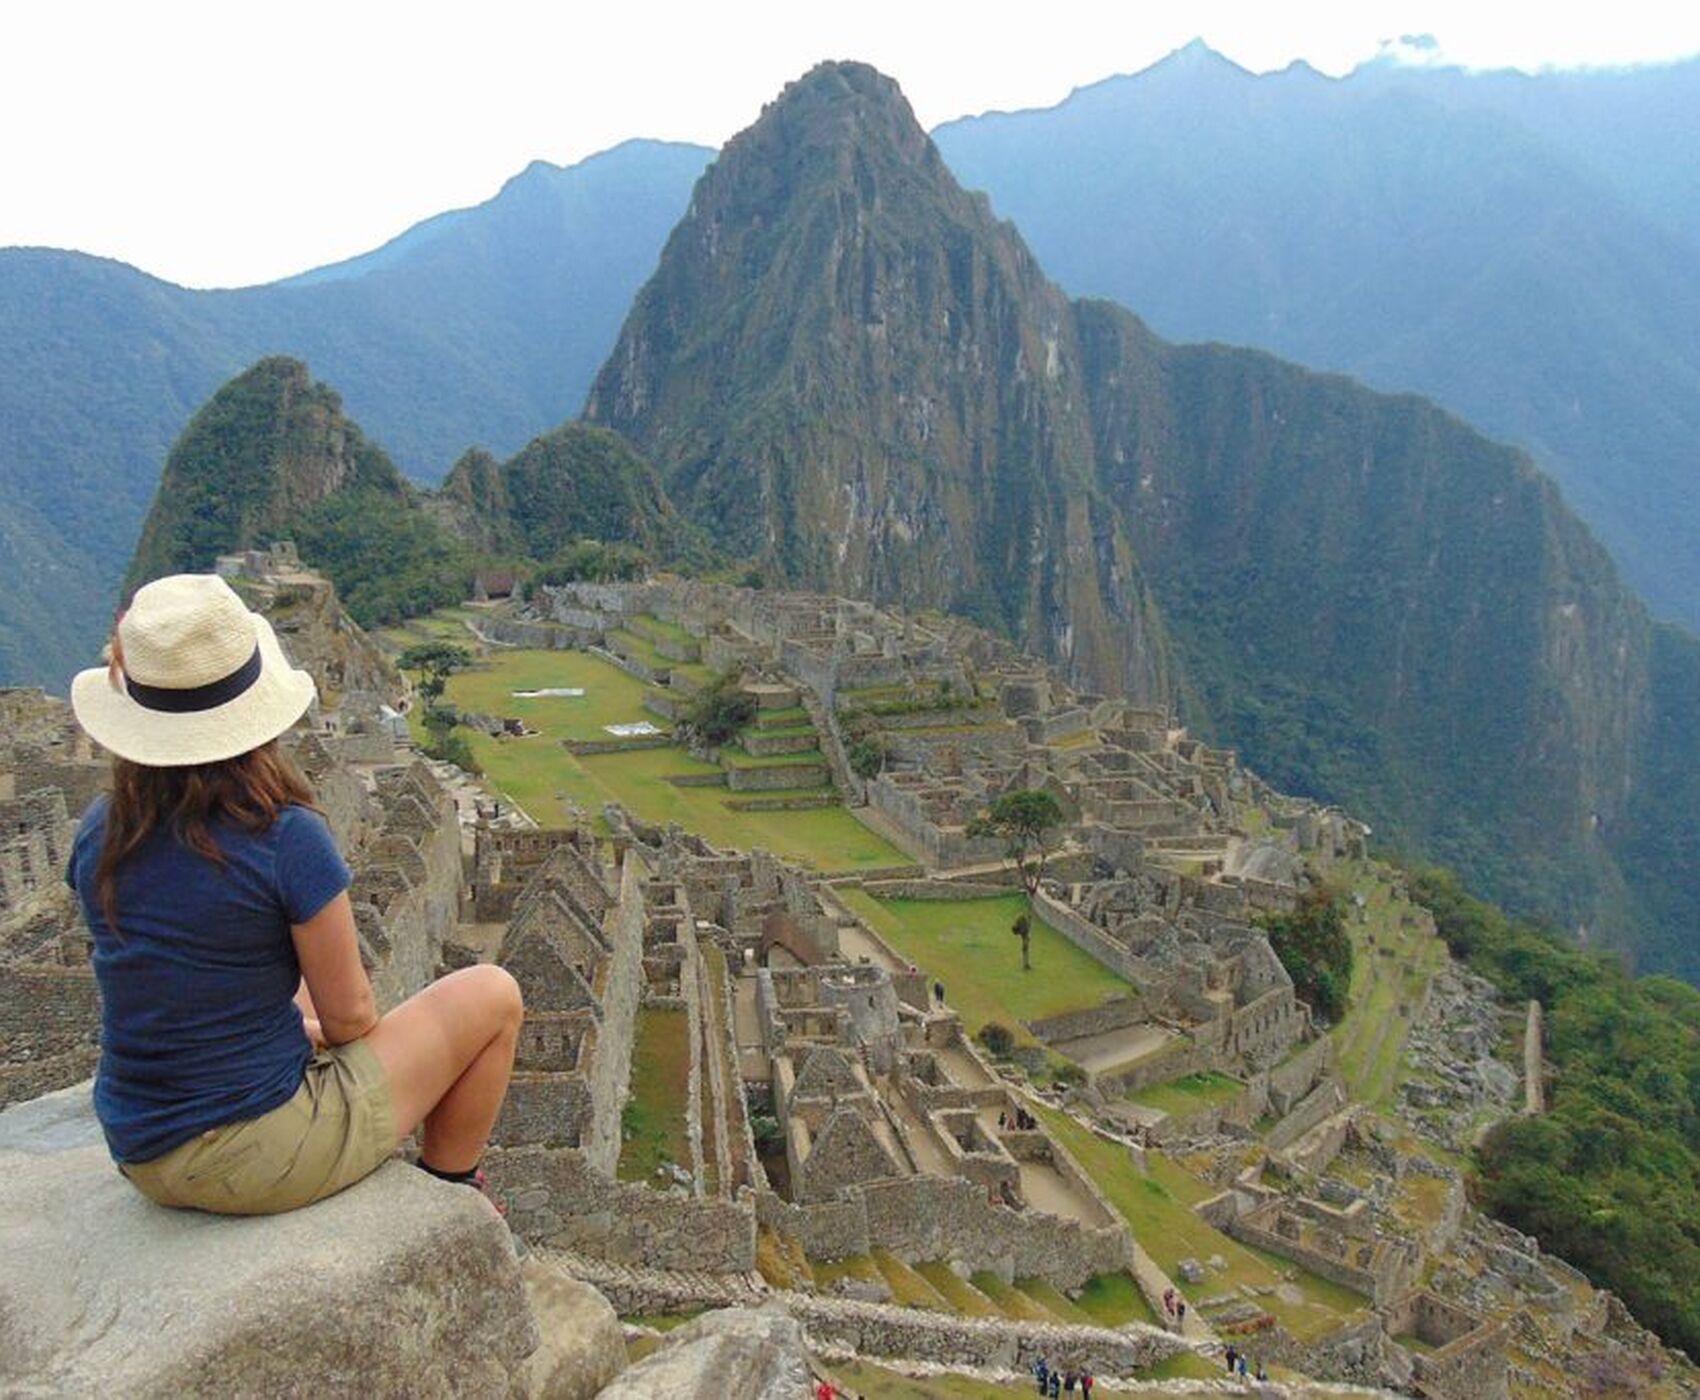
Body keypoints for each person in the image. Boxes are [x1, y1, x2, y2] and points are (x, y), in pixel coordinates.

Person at [66, 574, 525, 1216]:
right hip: (250, 1156)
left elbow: (167, 968)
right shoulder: (285, 837)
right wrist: (314, 1030)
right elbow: (352, 1022)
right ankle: (451, 1191)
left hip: (140, 1147)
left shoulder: (101, 829)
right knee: (492, 995)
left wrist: (293, 1023)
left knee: (292, 976)